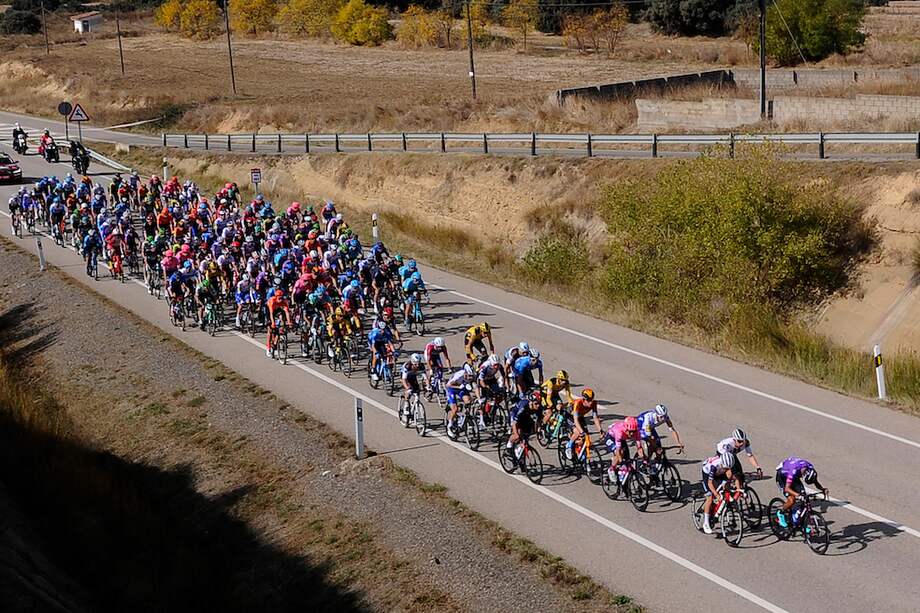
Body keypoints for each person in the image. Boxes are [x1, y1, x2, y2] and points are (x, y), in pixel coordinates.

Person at [774, 457, 828, 529]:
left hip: (795, 477)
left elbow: (815, 481)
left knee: (804, 499)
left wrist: (822, 489)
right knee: (791, 500)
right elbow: (787, 489)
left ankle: (799, 521)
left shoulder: (809, 467)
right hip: (782, 478)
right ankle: (780, 513)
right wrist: (797, 495)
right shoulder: (793, 471)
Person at [700, 453, 740, 534]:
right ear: (722, 463)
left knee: (727, 487)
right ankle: (706, 523)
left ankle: (719, 508)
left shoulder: (728, 464)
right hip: (707, 474)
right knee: (710, 497)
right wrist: (716, 495)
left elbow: (732, 476)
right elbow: (710, 483)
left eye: (729, 468)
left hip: (719, 473)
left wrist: (738, 488)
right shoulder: (714, 466)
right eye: (726, 467)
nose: (727, 469)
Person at [565, 388, 603, 460]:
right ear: (584, 399)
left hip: (580, 416)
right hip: (570, 416)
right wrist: (581, 432)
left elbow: (595, 418)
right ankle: (569, 445)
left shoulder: (594, 403)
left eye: (591, 400)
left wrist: (600, 430)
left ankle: (579, 450)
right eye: (588, 400)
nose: (590, 402)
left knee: (586, 437)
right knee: (578, 432)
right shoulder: (578, 403)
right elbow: (575, 420)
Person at [604, 416, 642, 481]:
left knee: (627, 459)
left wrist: (644, 458)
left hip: (622, 439)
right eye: (630, 431)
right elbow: (618, 451)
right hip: (611, 437)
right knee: (620, 453)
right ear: (626, 429)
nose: (632, 433)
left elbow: (639, 447)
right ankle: (611, 469)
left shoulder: (636, 432)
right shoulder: (619, 433)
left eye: (633, 431)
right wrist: (621, 462)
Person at [505, 390, 541, 460]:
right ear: (531, 403)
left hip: (525, 416)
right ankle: (509, 445)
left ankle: (519, 454)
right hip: (514, 414)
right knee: (517, 435)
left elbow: (539, 419)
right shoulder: (523, 407)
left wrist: (538, 429)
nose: (538, 405)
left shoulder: (538, 408)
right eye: (536, 404)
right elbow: (515, 422)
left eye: (539, 403)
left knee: (526, 437)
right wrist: (515, 433)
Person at [445, 364, 474, 436]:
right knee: (455, 409)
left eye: (471, 376)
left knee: (469, 401)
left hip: (461, 388)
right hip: (451, 388)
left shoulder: (470, 376)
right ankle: (450, 424)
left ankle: (464, 418)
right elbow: (448, 385)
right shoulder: (459, 375)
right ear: (465, 373)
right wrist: (458, 386)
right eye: (468, 375)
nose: (469, 378)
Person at [266, 289, 292, 358]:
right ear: (276, 297)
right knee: (270, 330)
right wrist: (273, 323)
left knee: (280, 325)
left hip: (278, 310)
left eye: (281, 297)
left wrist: (289, 322)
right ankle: (268, 348)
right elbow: (271, 314)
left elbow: (287, 312)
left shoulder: (284, 301)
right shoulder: (272, 300)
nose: (280, 299)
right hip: (270, 311)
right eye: (279, 298)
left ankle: (275, 344)